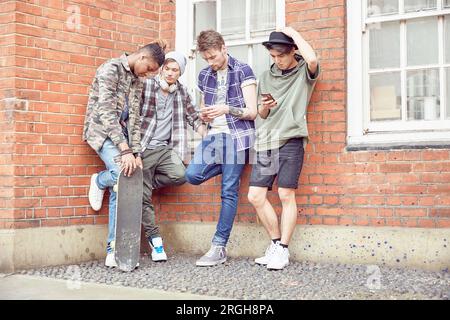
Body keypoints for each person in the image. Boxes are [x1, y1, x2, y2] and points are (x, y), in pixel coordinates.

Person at [83, 41, 166, 267]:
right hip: (102, 133)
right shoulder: (110, 69)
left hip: (123, 138)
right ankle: (100, 181)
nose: (149, 75)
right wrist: (125, 149)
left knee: (127, 177)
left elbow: (135, 119)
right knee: (123, 173)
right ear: (140, 58)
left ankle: (116, 248)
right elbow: (106, 113)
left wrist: (136, 152)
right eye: (148, 68)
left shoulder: (137, 81)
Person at [247, 27, 320, 270]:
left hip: (291, 139)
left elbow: (312, 59)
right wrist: (265, 106)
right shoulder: (266, 76)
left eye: (281, 55)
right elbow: (262, 113)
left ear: (292, 52)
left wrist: (294, 33)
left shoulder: (303, 72)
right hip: (267, 140)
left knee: (285, 195)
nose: (277, 61)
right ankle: (275, 244)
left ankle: (284, 250)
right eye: (273, 56)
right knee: (255, 196)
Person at [184, 30, 257, 267]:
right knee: (192, 175)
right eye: (206, 59)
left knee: (228, 191)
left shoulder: (243, 70)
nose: (211, 63)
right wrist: (203, 116)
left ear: (224, 48)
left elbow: (252, 112)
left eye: (213, 57)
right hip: (214, 136)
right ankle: (229, 170)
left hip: (236, 136)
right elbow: (204, 108)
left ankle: (219, 246)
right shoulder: (205, 75)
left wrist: (227, 109)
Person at [139, 51, 207, 262]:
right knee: (144, 200)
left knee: (180, 175)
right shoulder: (147, 86)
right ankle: (155, 240)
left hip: (166, 149)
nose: (169, 73)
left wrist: (207, 133)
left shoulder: (182, 92)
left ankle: (143, 185)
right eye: (167, 68)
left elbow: (193, 116)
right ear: (161, 68)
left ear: (180, 73)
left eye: (174, 70)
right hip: (143, 147)